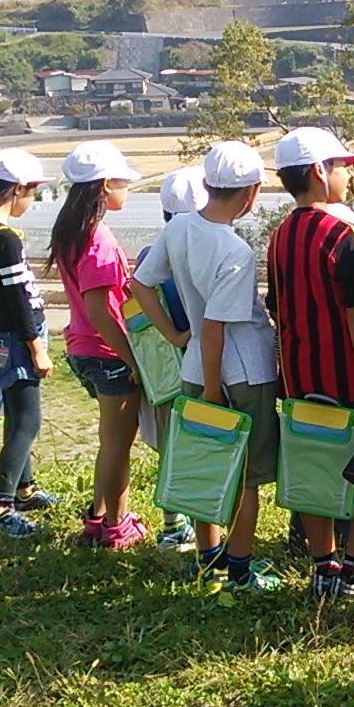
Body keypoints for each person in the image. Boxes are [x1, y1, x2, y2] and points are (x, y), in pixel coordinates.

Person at [133, 141, 284, 592]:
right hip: (240, 374)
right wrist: (217, 391)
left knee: (206, 463)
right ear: (251, 194)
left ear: (206, 185)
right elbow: (218, 325)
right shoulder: (235, 251)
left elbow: (141, 285)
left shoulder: (179, 227)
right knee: (248, 478)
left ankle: (208, 555)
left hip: (195, 367)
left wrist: (177, 336)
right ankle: (239, 571)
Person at [266, 127, 354, 598]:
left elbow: (277, 308)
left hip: (301, 377)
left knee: (314, 470)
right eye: (341, 167)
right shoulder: (340, 235)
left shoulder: (280, 236)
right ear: (320, 172)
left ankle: (324, 566)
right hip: (346, 378)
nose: (346, 176)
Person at [49, 140, 150, 550]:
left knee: (110, 442)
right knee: (117, 446)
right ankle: (116, 525)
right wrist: (132, 358)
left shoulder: (73, 233)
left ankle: (98, 517)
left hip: (82, 348)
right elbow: (101, 310)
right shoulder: (100, 241)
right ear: (106, 185)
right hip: (106, 353)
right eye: (123, 181)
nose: (127, 188)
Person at [0, 148, 59, 537]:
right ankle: (0, 510)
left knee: (17, 416)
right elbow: (18, 297)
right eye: (33, 191)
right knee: (27, 421)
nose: (34, 198)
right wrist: (35, 346)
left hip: (2, 332)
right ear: (17, 189)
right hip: (15, 338)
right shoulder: (5, 238)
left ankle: (23, 488)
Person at [139, 163, 209, 552]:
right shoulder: (203, 246)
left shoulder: (151, 251)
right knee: (204, 445)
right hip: (199, 363)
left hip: (163, 367)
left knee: (171, 445)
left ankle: (172, 524)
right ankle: (206, 533)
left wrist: (170, 335)